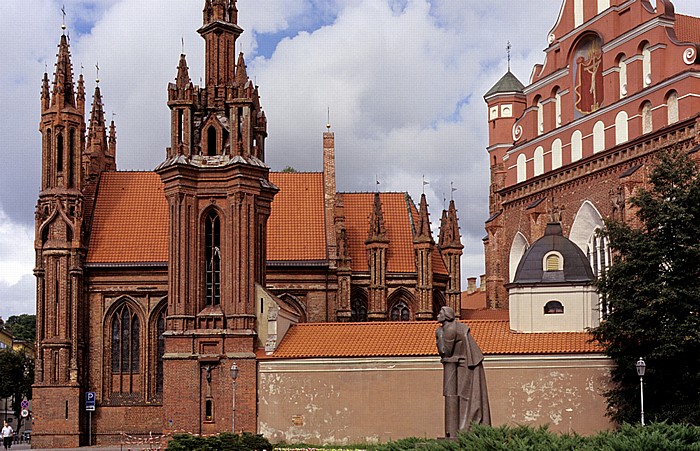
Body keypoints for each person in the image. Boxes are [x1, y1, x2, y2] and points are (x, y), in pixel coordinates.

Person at [436, 306, 491, 438]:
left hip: (467, 365)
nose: (437, 315)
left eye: (440, 313)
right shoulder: (452, 326)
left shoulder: (449, 329)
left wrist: (439, 335)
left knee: (466, 396)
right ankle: (460, 429)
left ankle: (464, 429)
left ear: (446, 316)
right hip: (462, 364)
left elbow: (445, 352)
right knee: (462, 395)